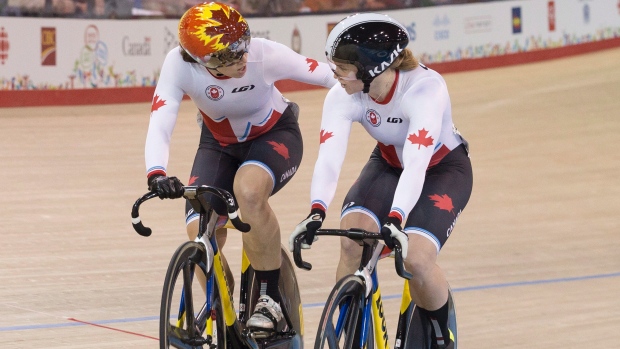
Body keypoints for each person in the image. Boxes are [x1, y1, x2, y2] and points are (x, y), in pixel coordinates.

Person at [145, 1, 337, 334]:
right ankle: (222, 294)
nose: (243, 60)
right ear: (204, 60)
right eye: (231, 56)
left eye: (242, 48)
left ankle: (269, 297)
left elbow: (328, 75)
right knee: (199, 228)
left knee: (248, 193)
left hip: (274, 135)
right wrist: (156, 172)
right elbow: (161, 120)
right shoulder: (178, 64)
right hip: (218, 144)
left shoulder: (264, 54)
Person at [289, 13, 472, 349]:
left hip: (441, 169)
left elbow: (417, 163)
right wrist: (316, 211)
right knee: (351, 239)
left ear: (372, 68)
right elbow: (329, 156)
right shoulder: (343, 94)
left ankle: (440, 334)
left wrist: (396, 218)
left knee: (416, 258)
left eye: (342, 67)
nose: (334, 74)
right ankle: (352, 334)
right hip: (388, 164)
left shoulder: (425, 90)